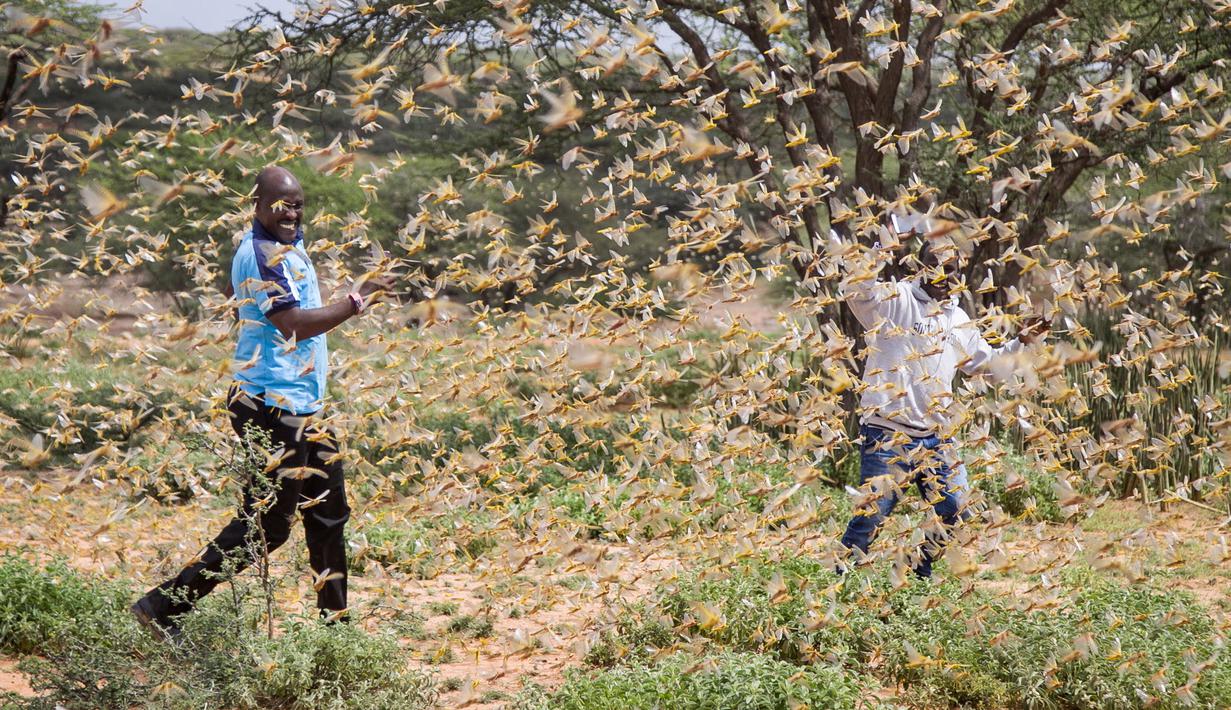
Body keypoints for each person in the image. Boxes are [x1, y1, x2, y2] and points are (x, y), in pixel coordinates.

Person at [131, 166, 394, 637]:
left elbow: (238, 296)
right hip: (271, 406)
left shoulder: (281, 246)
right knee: (268, 525)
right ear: (257, 204)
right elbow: (292, 324)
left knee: (329, 513)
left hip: (303, 406)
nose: (291, 213)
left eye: (297, 205)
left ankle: (335, 629)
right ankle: (162, 606)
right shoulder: (262, 252)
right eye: (281, 205)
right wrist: (357, 301)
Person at [832, 215, 1049, 579]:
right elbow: (857, 290)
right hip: (888, 434)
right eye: (938, 267)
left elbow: (987, 364)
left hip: (937, 437)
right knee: (872, 515)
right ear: (921, 267)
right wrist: (883, 246)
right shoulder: (896, 300)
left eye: (953, 270)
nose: (946, 276)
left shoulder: (958, 319)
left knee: (956, 509)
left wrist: (1022, 341)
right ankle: (840, 583)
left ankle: (917, 569)